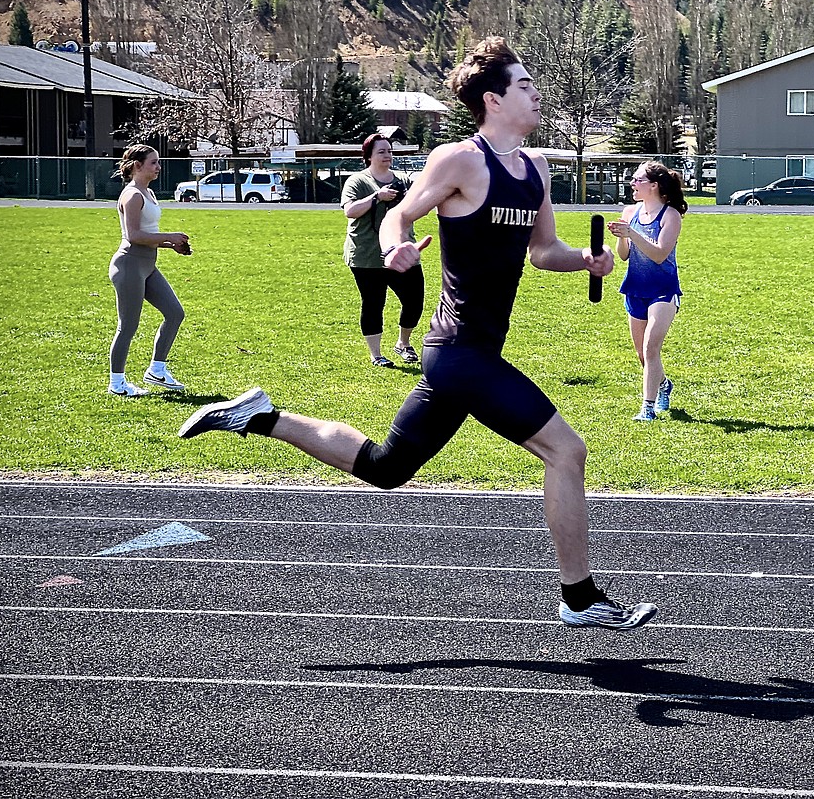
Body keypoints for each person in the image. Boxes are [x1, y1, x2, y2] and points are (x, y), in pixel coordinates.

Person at [178, 36, 657, 631]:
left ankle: (260, 416)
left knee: (384, 466)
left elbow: (542, 251)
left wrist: (585, 262)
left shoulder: (535, 170)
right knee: (567, 450)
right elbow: (402, 214)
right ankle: (581, 598)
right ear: (494, 99)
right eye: (526, 85)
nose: (537, 94)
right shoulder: (458, 160)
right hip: (457, 354)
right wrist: (393, 248)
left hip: (473, 356)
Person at [107, 144, 190, 397]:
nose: (158, 167)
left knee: (175, 313)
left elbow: (148, 234)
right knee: (128, 326)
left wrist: (170, 245)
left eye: (158, 162)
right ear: (137, 166)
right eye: (153, 162)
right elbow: (133, 236)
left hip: (147, 265)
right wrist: (170, 235)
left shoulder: (149, 193)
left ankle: (157, 369)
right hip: (129, 265)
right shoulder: (132, 195)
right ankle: (117, 383)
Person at [608, 162, 686, 422]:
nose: (633, 183)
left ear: (654, 185)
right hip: (635, 289)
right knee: (642, 354)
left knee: (651, 348)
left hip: (663, 290)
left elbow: (659, 254)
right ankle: (663, 385)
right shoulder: (630, 211)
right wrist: (622, 236)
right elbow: (624, 255)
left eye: (638, 180)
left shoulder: (670, 215)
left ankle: (647, 408)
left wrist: (632, 233)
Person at [340, 133, 425, 368]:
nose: (387, 155)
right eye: (382, 151)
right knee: (374, 303)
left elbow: (419, 206)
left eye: (389, 151)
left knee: (414, 300)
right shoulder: (358, 181)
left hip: (401, 252)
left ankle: (403, 343)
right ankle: (376, 354)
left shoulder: (403, 179)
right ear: (368, 156)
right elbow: (350, 211)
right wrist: (377, 196)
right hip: (367, 255)